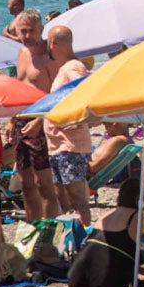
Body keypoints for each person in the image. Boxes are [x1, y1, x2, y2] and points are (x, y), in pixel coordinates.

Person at [49, 177, 144, 287]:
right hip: (104, 283)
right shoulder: (138, 218)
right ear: (140, 198)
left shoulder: (105, 216)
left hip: (76, 274)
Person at [10, 9, 59, 221]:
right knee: (26, 184)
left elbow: (60, 94)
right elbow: (18, 88)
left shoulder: (49, 57)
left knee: (44, 184)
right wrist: (11, 119)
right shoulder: (22, 53)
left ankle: (48, 230)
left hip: (43, 122)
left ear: (41, 29)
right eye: (23, 31)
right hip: (21, 121)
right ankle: (33, 226)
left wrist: (40, 121)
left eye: (31, 31)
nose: (27, 36)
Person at [45, 25, 94, 225]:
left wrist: (75, 120)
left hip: (70, 144)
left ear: (53, 43)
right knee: (64, 199)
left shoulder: (72, 67)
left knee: (77, 199)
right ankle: (73, 234)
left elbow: (85, 89)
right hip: (59, 144)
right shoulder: (65, 67)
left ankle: (86, 233)